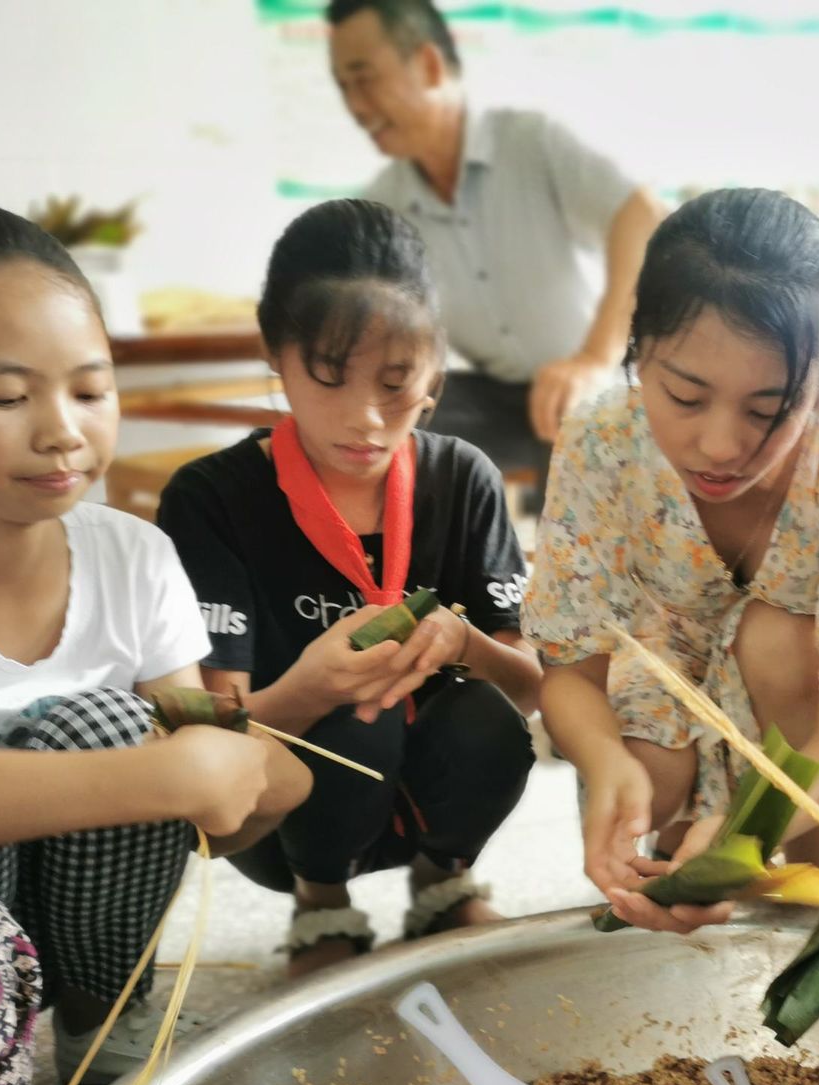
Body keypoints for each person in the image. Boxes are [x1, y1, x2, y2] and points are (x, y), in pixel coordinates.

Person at [0, 202, 309, 1081]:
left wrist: (250, 773)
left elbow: (206, 776)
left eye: (91, 391)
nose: (62, 429)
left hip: (89, 935)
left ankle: (105, 1019)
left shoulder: (135, 557)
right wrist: (153, 774)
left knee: (108, 724)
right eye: (6, 397)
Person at [159, 199, 539, 976]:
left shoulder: (462, 477)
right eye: (328, 377)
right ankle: (319, 900)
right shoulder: (212, 497)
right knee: (350, 723)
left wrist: (464, 644)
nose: (365, 419)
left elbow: (533, 688)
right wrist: (306, 687)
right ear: (277, 351)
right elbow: (212, 730)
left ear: (435, 368)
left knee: (488, 721)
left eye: (398, 385)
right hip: (280, 808)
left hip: (434, 786)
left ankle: (444, 880)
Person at [524, 187, 819, 934]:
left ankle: (793, 867)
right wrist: (606, 762)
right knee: (652, 782)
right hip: (665, 669)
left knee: (776, 635)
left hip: (800, 691)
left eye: (767, 410)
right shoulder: (603, 440)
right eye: (684, 395)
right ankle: (683, 863)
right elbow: (570, 674)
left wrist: (751, 837)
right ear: (637, 357)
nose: (721, 446)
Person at [327, 0, 664, 492]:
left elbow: (643, 217)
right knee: (393, 422)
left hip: (595, 387)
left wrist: (593, 360)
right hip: (497, 396)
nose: (356, 107)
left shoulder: (530, 143)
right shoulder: (382, 207)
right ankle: (423, 564)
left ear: (429, 64)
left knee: (585, 439)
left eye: (365, 79)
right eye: (344, 88)